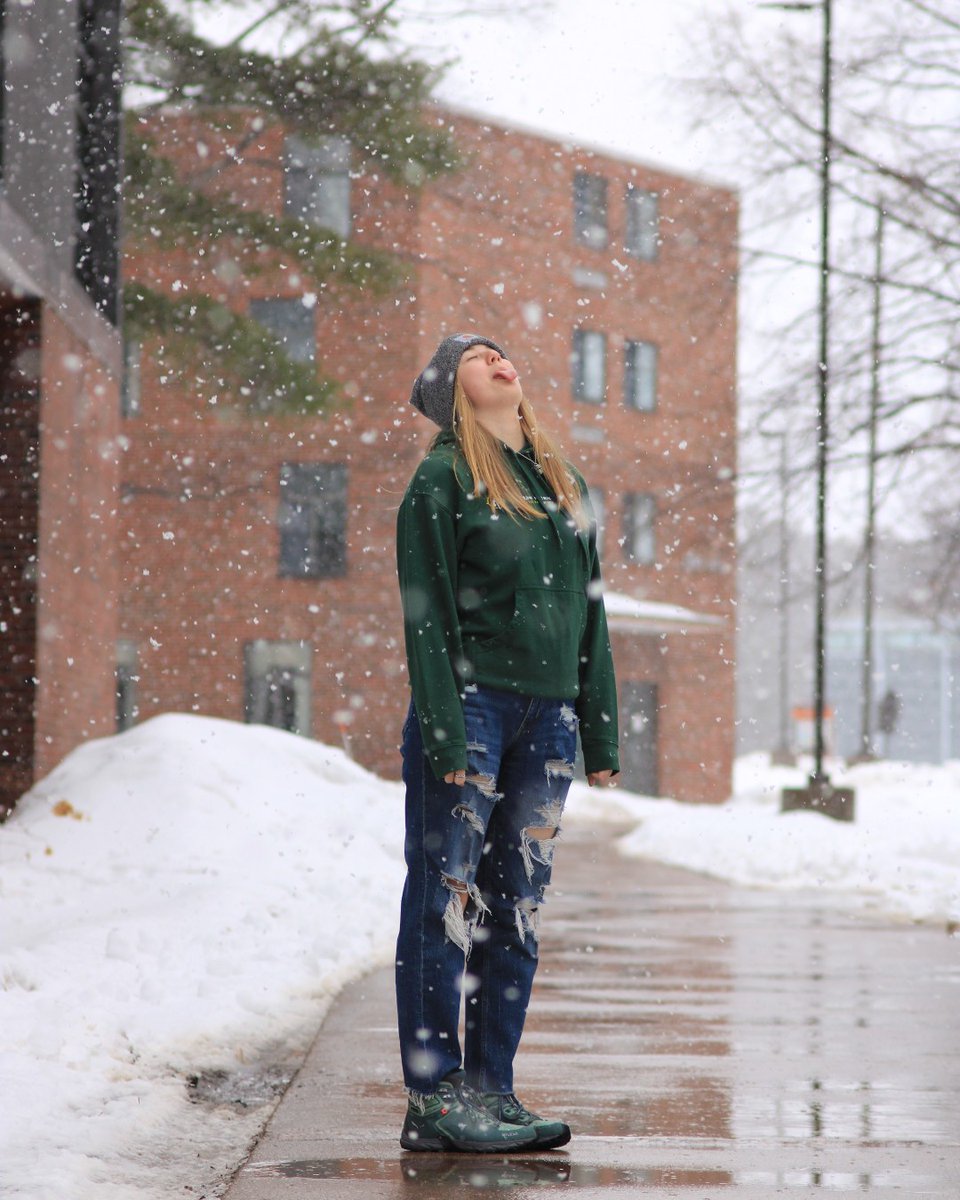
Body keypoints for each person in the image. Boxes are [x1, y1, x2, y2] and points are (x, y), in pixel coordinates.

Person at [395, 332, 620, 1153]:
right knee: (445, 899)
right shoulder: (442, 478)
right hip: (474, 709)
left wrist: (596, 727)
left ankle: (493, 1087)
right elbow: (428, 615)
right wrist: (448, 725)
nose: (496, 359)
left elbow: (591, 612)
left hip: (549, 719)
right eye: (472, 357)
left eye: (499, 349)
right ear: (451, 394)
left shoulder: (566, 485)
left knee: (514, 910)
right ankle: (434, 1098)